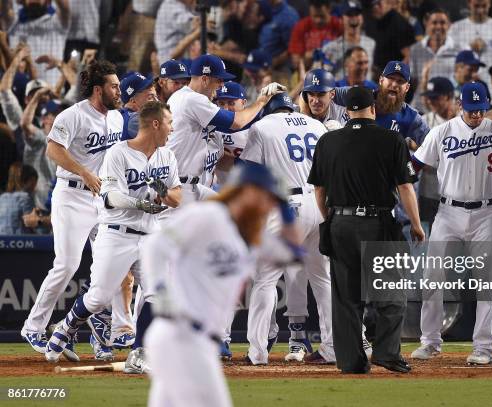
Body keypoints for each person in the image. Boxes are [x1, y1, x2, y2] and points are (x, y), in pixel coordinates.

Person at [143, 161, 300, 406]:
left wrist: (286, 210)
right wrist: (161, 291)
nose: (269, 205)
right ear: (248, 191)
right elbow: (156, 246)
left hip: (201, 341)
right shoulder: (207, 215)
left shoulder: (249, 235)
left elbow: (294, 253)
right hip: (181, 334)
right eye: (267, 197)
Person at [410, 82, 492, 365]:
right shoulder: (442, 132)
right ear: (460, 106)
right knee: (433, 278)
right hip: (448, 212)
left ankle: (483, 347)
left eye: (481, 110)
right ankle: (430, 342)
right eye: (471, 111)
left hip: (486, 214)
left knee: (486, 282)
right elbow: (415, 165)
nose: (476, 115)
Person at [45, 101, 182, 363]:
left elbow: (177, 197)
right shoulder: (118, 154)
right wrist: (140, 203)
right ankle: (66, 327)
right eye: (169, 123)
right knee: (98, 297)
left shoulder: (168, 155)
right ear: (155, 124)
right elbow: (110, 197)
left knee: (159, 293)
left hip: (151, 235)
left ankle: (139, 352)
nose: (172, 129)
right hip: (117, 234)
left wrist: (162, 192)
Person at [308, 86, 424, 374]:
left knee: (346, 298)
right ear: (373, 108)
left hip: (341, 223)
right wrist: (418, 225)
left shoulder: (328, 142)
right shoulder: (392, 139)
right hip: (379, 223)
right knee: (391, 294)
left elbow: (319, 190)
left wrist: (330, 220)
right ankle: (386, 353)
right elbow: (406, 186)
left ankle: (350, 361)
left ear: (347, 111)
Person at [21, 60, 123, 360]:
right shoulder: (74, 114)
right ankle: (33, 327)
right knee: (66, 265)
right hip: (72, 197)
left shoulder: (116, 118)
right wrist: (84, 173)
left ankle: (74, 329)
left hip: (101, 199)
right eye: (113, 85)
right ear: (97, 89)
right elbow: (53, 150)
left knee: (110, 263)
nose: (117, 90)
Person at [240, 93, 335, 365]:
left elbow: (250, 173)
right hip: (319, 203)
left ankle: (257, 352)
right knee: (323, 279)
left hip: (286, 206)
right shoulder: (315, 125)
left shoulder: (263, 125)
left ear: (269, 109)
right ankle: (331, 348)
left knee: (266, 280)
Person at [165, 53, 285, 206]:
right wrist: (262, 100)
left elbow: (228, 138)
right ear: (204, 79)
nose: (222, 85)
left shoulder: (182, 97)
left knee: (225, 212)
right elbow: (238, 122)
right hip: (180, 185)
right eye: (219, 80)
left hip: (190, 184)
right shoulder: (192, 99)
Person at [334, 61, 429, 148]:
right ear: (381, 80)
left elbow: (433, 145)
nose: (394, 84)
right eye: (391, 79)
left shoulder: (411, 117)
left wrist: (415, 164)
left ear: (407, 88)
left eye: (400, 81)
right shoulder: (358, 95)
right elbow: (326, 93)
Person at [448, 0, 492, 97]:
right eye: (476, 6)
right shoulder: (455, 29)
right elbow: (449, 61)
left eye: (484, 6)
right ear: (469, 4)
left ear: (490, 4)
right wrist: (468, 48)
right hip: (461, 89)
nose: (480, 10)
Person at [408, 8, 466, 112]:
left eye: (443, 23)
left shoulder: (461, 49)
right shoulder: (415, 49)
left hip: (447, 109)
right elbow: (414, 81)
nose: (438, 26)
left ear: (449, 25)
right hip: (420, 109)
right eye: (434, 23)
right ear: (426, 24)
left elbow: (465, 79)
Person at [419, 77, 457, 230]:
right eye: (428, 97)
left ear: (448, 96)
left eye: (435, 97)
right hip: (429, 194)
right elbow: (422, 161)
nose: (430, 101)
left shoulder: (464, 121)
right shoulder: (423, 122)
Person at [8, 0, 70, 84]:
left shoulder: (58, 22)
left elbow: (65, 8)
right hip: (18, 93)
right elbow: (5, 8)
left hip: (52, 92)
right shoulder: (12, 23)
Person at [20, 93, 58, 209]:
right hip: (37, 206)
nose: (60, 117)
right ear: (45, 119)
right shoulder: (40, 137)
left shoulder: (64, 142)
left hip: (55, 204)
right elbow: (25, 124)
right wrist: (37, 97)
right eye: (55, 115)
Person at [321, 1, 375, 80]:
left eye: (357, 14)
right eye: (349, 15)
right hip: (341, 91)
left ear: (362, 18)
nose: (354, 18)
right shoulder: (330, 48)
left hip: (366, 90)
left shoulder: (371, 43)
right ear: (341, 20)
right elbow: (323, 76)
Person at [288, 0, 342, 69]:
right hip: (309, 73)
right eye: (315, 16)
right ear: (310, 11)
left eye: (322, 16)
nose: (318, 20)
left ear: (329, 9)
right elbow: (295, 63)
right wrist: (310, 56)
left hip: (335, 72)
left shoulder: (339, 26)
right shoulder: (301, 27)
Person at [367, 0, 415, 74]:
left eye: (379, 4)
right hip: (374, 72)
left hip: (391, 76)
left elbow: (409, 55)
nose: (376, 7)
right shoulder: (374, 21)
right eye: (374, 4)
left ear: (389, 4)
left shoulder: (398, 24)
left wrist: (394, 74)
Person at [154, 0, 197, 65]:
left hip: (176, 60)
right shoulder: (171, 6)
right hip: (170, 61)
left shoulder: (178, 5)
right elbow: (193, 24)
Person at [0, 163, 38, 234]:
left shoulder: (2, 197)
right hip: (20, 240)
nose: (35, 187)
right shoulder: (24, 198)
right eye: (33, 183)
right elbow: (33, 223)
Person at [119, 72, 157, 140]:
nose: (156, 101)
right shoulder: (134, 120)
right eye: (150, 97)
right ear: (133, 101)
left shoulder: (121, 115)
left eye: (156, 97)